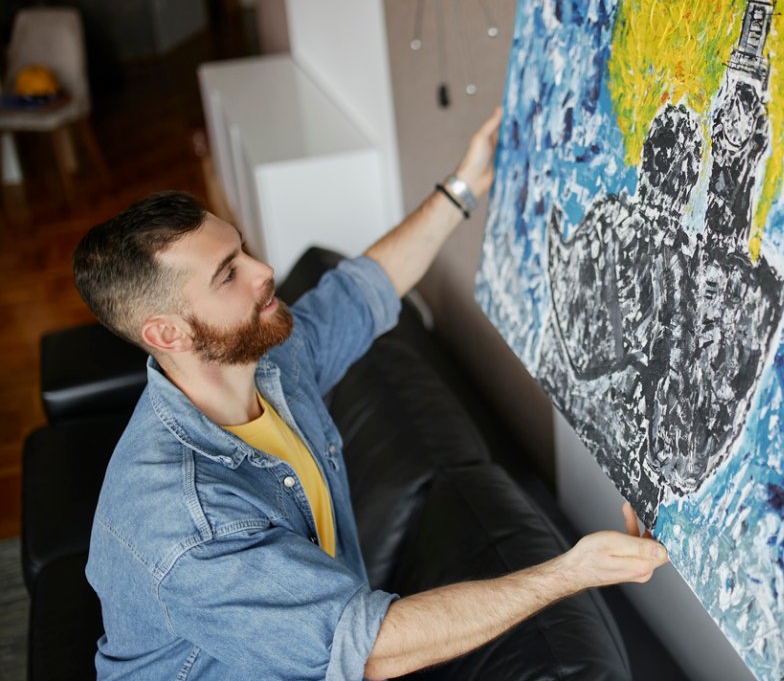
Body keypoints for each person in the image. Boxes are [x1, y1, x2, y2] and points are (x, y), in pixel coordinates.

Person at [73, 108, 669, 680]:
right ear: (167, 334)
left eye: (244, 249)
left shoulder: (267, 361)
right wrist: (570, 572)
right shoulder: (188, 526)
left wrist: (464, 184)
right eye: (228, 274)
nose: (263, 272)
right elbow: (369, 649)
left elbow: (361, 294)